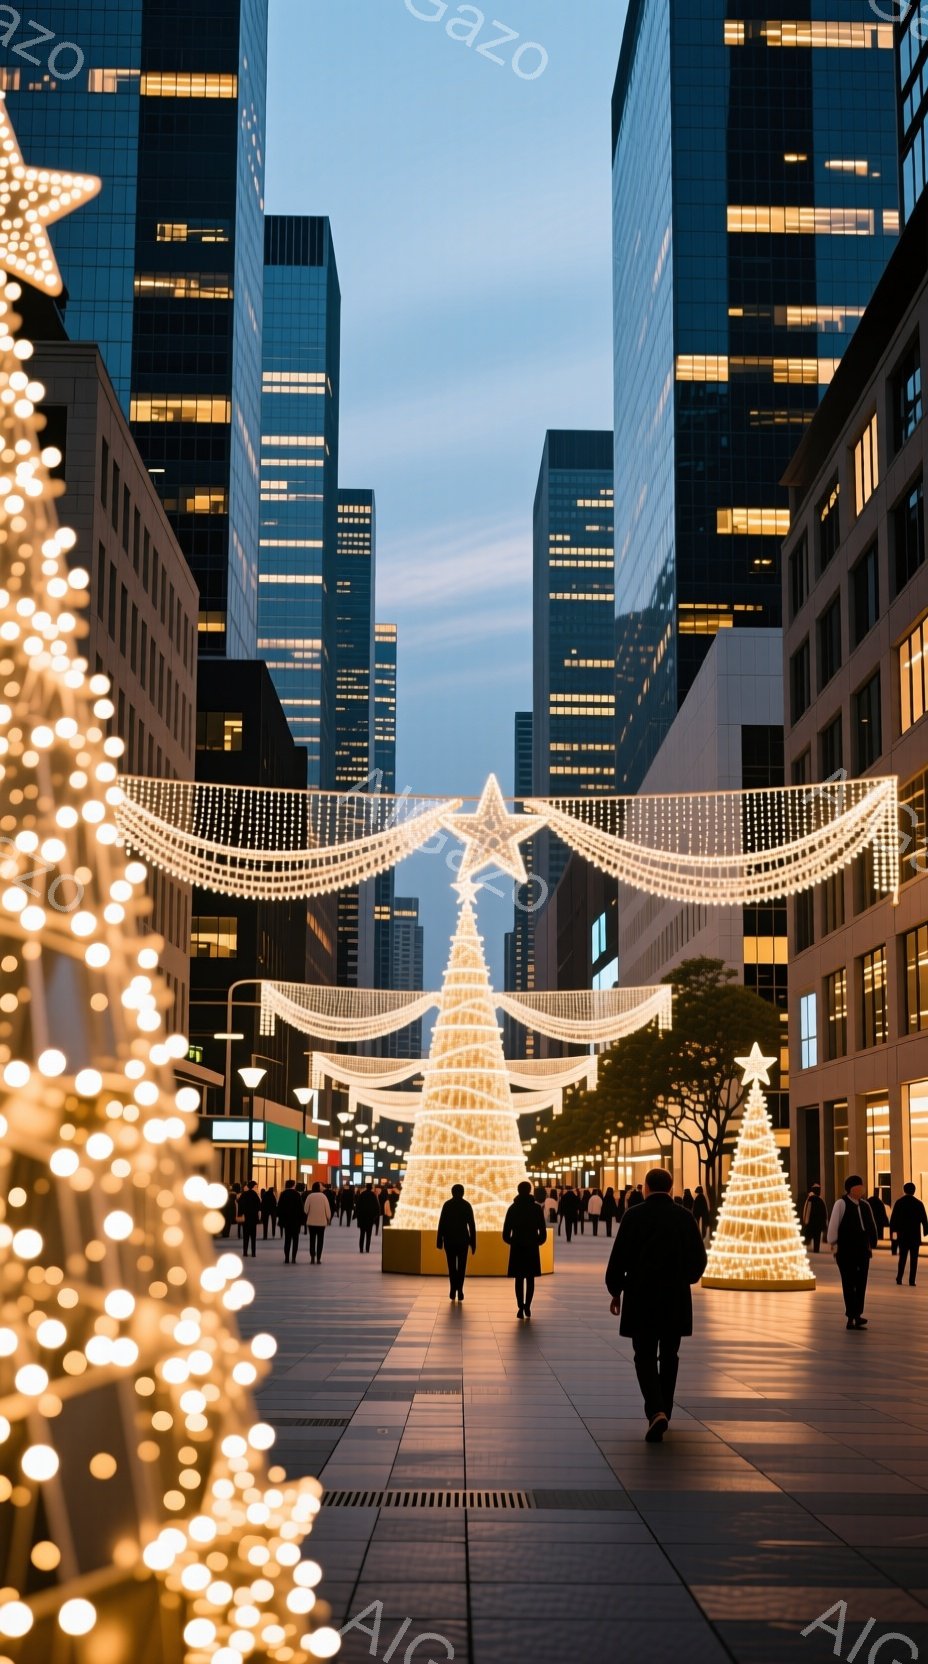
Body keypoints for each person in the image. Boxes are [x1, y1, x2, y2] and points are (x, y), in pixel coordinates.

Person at [605, 1167, 707, 1443]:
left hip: (641, 1298)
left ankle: (655, 1410)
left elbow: (619, 1258)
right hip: (675, 1297)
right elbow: (700, 1259)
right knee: (670, 1354)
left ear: (646, 1188)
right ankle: (666, 1409)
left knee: (644, 1354)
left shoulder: (633, 1216)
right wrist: (686, 1278)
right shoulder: (684, 1218)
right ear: (671, 1188)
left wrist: (616, 1291)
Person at [827, 1175, 878, 1330]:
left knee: (861, 1281)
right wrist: (833, 1243)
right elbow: (834, 1225)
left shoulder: (865, 1205)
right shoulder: (841, 1204)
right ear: (850, 1188)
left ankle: (857, 1314)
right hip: (846, 1250)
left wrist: (872, 1243)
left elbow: (871, 1225)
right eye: (857, 1186)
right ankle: (851, 1316)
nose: (861, 1189)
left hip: (862, 1249)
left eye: (861, 1186)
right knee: (849, 1282)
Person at [503, 1181, 548, 1318]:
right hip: (531, 1247)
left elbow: (506, 1232)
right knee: (530, 1278)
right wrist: (538, 1241)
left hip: (517, 1246)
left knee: (519, 1278)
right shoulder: (536, 1209)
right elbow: (542, 1229)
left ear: (518, 1191)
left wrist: (512, 1241)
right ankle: (528, 1305)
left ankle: (520, 1306)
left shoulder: (513, 1208)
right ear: (530, 1191)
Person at [436, 1183, 477, 1301]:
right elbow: (472, 1225)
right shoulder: (466, 1205)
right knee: (462, 1266)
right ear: (462, 1193)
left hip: (449, 1240)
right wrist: (473, 1243)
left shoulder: (447, 1205)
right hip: (463, 1240)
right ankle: (460, 1289)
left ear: (452, 1192)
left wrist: (439, 1241)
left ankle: (453, 1289)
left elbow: (442, 1223)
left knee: (452, 1266)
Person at [890, 1182, 928, 1286]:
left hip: (902, 1235)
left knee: (902, 1258)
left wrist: (893, 1236)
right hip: (915, 1236)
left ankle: (899, 1278)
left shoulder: (899, 1203)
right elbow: (924, 1219)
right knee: (914, 1259)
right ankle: (912, 1280)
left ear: (904, 1190)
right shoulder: (918, 1203)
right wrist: (925, 1231)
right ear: (914, 1190)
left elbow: (893, 1220)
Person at [304, 1181, 332, 1264]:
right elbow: (327, 1210)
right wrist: (328, 1218)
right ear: (318, 1188)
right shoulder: (323, 1197)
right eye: (321, 1186)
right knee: (320, 1240)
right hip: (321, 1223)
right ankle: (319, 1258)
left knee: (312, 1240)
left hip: (311, 1222)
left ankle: (312, 1257)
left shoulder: (310, 1196)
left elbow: (305, 1210)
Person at [277, 1178, 304, 1264]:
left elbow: (279, 1207)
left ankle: (286, 1258)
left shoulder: (283, 1194)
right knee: (295, 1240)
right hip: (296, 1221)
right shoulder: (297, 1194)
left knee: (287, 1240)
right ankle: (293, 1258)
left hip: (286, 1221)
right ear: (293, 1185)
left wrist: (280, 1218)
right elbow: (300, 1208)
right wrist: (302, 1220)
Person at [801, 1183, 828, 1254]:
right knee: (817, 1236)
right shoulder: (820, 1200)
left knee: (809, 1235)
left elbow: (807, 1210)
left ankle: (806, 1248)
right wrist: (824, 1222)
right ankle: (816, 1249)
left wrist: (806, 1221)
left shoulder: (810, 1199)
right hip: (818, 1223)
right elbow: (824, 1212)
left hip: (811, 1222)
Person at [238, 1180, 261, 1258]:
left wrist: (240, 1214)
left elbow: (240, 1204)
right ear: (253, 1187)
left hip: (246, 1217)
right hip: (253, 1218)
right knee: (253, 1236)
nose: (257, 1188)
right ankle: (253, 1253)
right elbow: (259, 1205)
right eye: (256, 1186)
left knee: (246, 1236)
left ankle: (245, 1252)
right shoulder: (255, 1195)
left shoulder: (244, 1194)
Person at [356, 1184, 380, 1254]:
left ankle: (361, 1249)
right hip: (370, 1219)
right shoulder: (373, 1195)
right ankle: (367, 1249)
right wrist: (374, 1217)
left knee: (362, 1234)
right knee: (368, 1235)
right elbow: (377, 1208)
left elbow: (357, 1206)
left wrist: (358, 1216)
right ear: (371, 1188)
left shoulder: (362, 1194)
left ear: (366, 1187)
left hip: (362, 1219)